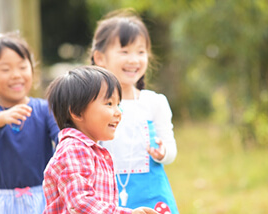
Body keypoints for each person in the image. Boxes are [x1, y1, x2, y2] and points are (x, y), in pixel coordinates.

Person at [90, 9, 179, 214]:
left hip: (153, 194)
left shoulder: (154, 102)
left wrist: (162, 153)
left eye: (140, 52)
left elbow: (171, 149)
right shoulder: (92, 105)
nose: (134, 60)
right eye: (124, 51)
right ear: (100, 58)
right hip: (106, 193)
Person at [43, 66, 158, 214]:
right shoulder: (74, 149)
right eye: (109, 104)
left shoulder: (90, 150)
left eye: (118, 104)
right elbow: (80, 203)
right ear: (77, 112)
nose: (118, 112)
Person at [0, 32, 60, 214]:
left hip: (43, 197)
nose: (16, 75)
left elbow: (62, 136)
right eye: (5, 69)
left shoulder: (44, 109)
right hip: (5, 202)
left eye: (22, 67)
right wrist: (0, 118)